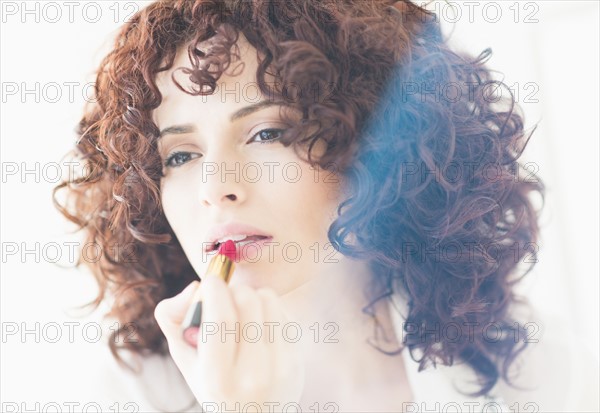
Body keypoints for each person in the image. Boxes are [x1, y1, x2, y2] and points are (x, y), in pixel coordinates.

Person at [53, 0, 598, 412]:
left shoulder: (540, 371)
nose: (215, 186)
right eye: (180, 155)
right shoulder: (130, 392)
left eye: (267, 133)